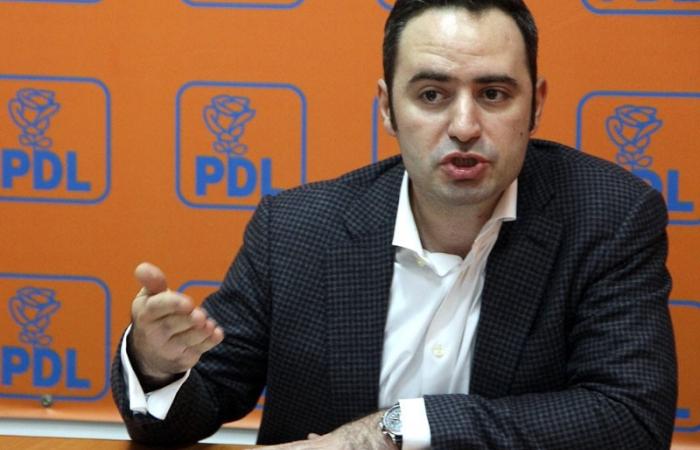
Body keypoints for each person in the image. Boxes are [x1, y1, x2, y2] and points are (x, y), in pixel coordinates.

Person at [111, 1, 678, 448]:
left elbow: (629, 417)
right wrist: (157, 366)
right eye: (431, 94)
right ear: (387, 107)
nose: (464, 125)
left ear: (536, 103)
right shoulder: (295, 229)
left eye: (493, 94)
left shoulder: (608, 217)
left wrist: (390, 431)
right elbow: (195, 407)